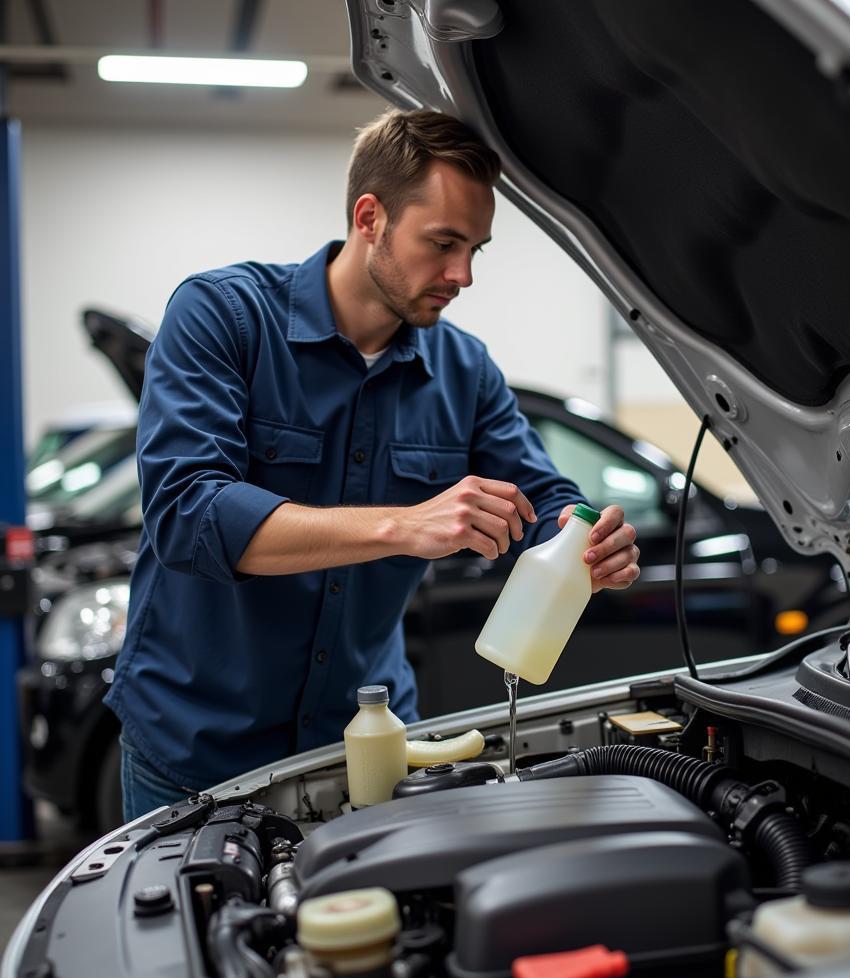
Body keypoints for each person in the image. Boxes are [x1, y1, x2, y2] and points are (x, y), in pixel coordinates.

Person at [105, 109, 641, 820]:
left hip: (368, 743)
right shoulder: (223, 317)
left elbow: (544, 494)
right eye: (443, 243)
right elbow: (187, 516)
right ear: (370, 216)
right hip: (197, 748)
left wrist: (584, 534)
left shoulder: (464, 369)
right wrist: (401, 525)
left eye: (477, 248)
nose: (463, 275)